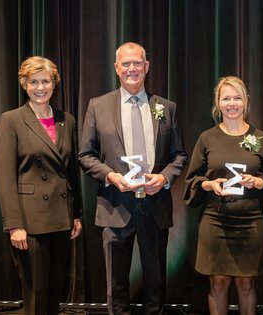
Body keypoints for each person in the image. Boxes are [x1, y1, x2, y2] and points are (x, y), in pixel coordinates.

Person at [78, 42, 187, 315]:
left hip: (154, 206)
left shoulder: (166, 107)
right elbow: (85, 155)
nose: (131, 69)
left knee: (156, 283)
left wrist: (163, 179)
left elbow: (179, 156)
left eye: (137, 63)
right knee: (116, 286)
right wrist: (111, 176)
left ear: (147, 67)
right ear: (116, 68)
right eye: (125, 64)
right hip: (115, 205)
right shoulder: (98, 106)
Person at [184, 76, 263, 315]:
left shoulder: (261, 138)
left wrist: (259, 181)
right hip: (215, 221)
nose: (232, 103)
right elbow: (192, 180)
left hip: (251, 221)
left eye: (237, 97)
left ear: (246, 102)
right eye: (226, 98)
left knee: (246, 283)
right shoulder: (207, 138)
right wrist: (208, 185)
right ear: (217, 103)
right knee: (217, 282)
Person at [0, 56, 82, 315]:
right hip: (29, 222)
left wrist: (76, 214)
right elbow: (4, 177)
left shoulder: (67, 119)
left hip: (61, 218)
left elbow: (71, 172)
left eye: (45, 81)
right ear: (24, 84)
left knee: (55, 291)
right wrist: (14, 225)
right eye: (33, 82)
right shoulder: (11, 120)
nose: (40, 87)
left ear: (54, 84)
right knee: (35, 294)